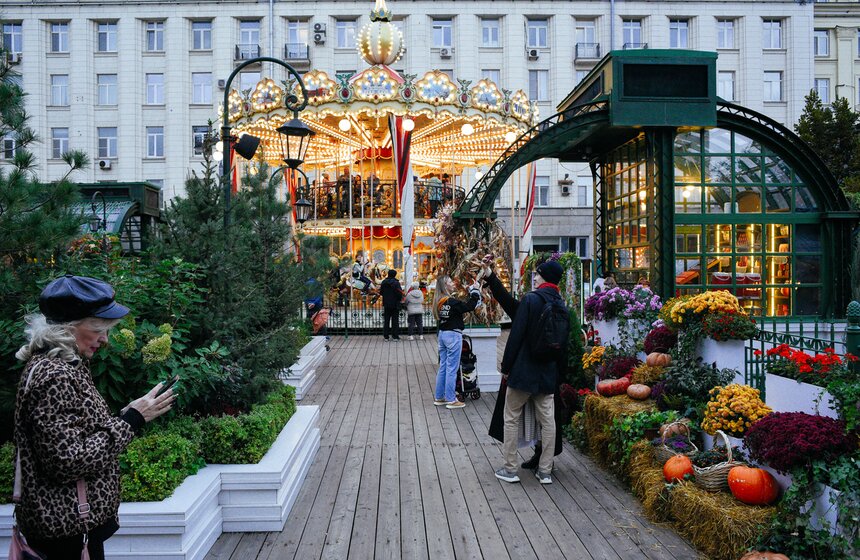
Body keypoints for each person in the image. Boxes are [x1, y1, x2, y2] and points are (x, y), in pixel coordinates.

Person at [12, 275, 175, 560]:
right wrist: (132, 421)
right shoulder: (55, 376)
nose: (105, 339)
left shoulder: (66, 364)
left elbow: (77, 432)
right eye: (98, 329)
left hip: (73, 527)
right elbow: (68, 461)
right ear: (68, 327)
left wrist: (128, 413)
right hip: (67, 533)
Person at [483, 260, 567, 473]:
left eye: (537, 274)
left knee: (511, 418)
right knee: (548, 422)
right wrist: (492, 277)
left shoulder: (531, 300)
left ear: (545, 277)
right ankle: (545, 470)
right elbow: (563, 345)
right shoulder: (560, 303)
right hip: (547, 373)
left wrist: (506, 367)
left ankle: (510, 468)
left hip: (524, 372)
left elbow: (516, 336)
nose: (535, 278)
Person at [432, 275, 480, 409]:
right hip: (453, 335)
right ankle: (451, 399)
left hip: (443, 334)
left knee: (443, 366)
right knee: (452, 368)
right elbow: (469, 306)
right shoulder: (452, 302)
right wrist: (475, 291)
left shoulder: (440, 302)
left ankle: (439, 397)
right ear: (445, 286)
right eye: (450, 282)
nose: (453, 283)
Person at [379, 269, 404, 341]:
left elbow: (381, 292)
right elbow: (399, 293)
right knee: (395, 320)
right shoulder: (396, 283)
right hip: (395, 304)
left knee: (386, 320)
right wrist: (399, 299)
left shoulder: (384, 282)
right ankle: (395, 336)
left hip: (386, 303)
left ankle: (386, 336)